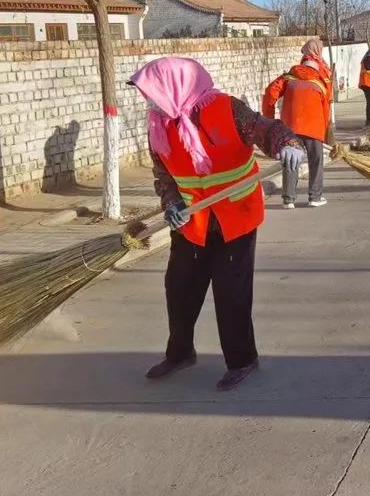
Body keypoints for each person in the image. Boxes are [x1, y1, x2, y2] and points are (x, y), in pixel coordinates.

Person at [129, 57, 303, 392]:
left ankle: (242, 360)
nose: (150, 102)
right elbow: (163, 174)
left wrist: (288, 144)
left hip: (235, 218)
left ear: (174, 87)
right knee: (179, 289)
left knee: (231, 293)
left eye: (153, 93)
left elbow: (265, 129)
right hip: (192, 222)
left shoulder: (226, 108)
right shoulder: (160, 125)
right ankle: (180, 353)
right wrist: (172, 203)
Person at [262, 39, 332, 209]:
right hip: (314, 127)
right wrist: (325, 131)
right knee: (316, 160)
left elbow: (270, 93)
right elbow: (326, 106)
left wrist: (269, 118)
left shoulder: (289, 77)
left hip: (290, 128)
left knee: (290, 159)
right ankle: (315, 197)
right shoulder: (322, 79)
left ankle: (288, 199)